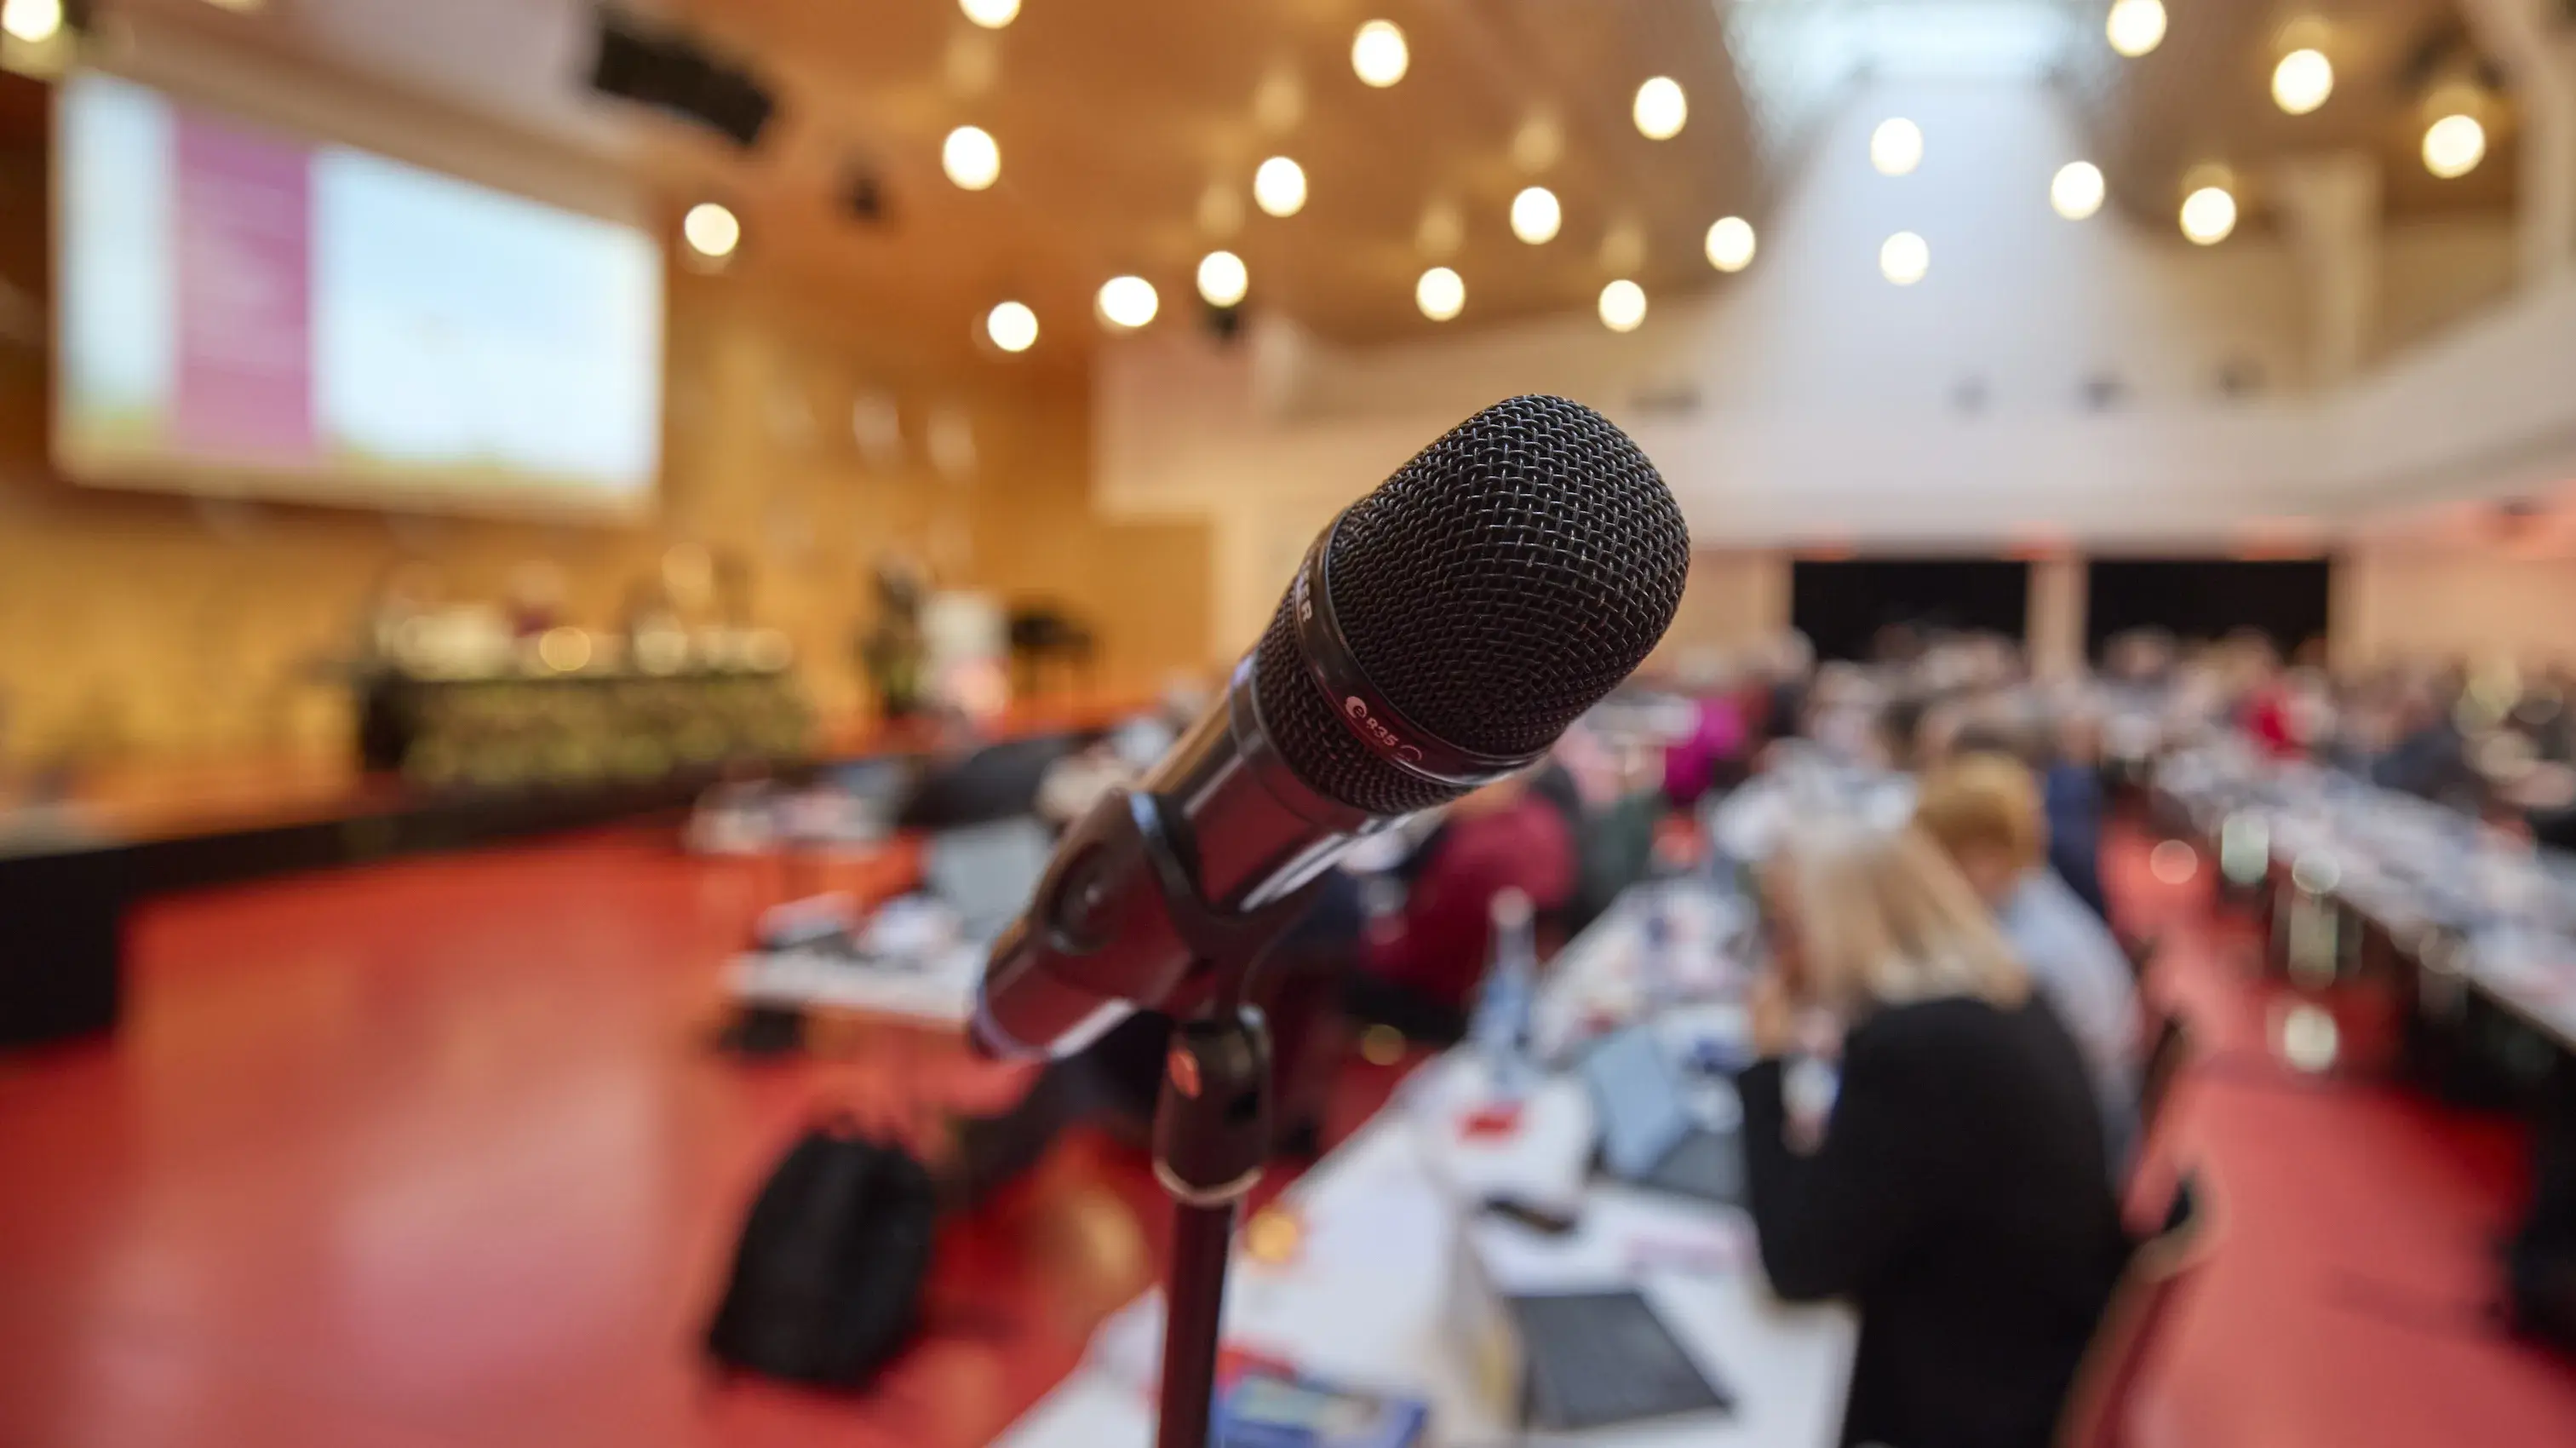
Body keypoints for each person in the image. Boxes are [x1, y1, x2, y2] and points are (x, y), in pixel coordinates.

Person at [1740, 824, 2131, 1448]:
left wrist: (1764, 1064)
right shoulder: (1996, 993)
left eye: (1788, 929)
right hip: (2036, 1340)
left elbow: (1795, 1263)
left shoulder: (1917, 1048)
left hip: (1976, 1391)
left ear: (1844, 927)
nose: (1782, 956)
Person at [1911, 752, 2142, 1172]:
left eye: (1940, 859)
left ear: (1987, 856)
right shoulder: (2030, 894)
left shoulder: (2030, 954)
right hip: (2080, 1111)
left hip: (2071, 1146)